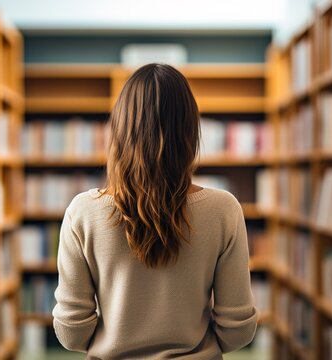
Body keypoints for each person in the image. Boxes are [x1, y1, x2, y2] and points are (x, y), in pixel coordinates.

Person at [52, 63, 258, 359]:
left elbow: (72, 333)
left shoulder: (83, 212)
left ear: (119, 130)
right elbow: (237, 331)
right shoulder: (223, 210)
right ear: (190, 131)